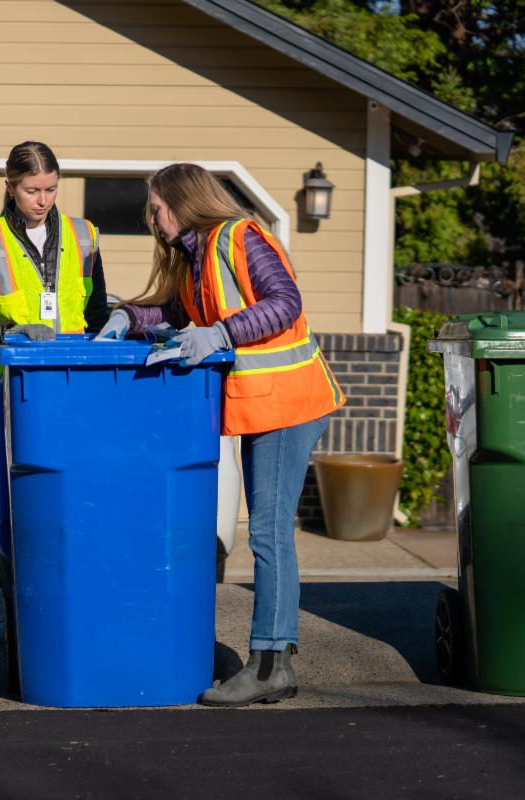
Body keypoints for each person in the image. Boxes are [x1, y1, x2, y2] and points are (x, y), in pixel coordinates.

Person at [97, 163, 345, 706]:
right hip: (265, 405)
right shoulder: (199, 255)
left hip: (289, 401)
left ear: (182, 202)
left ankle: (270, 664)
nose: (151, 216)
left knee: (268, 532)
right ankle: (271, 661)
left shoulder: (240, 237)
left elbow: (285, 304)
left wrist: (222, 332)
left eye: (156, 206)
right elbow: (176, 310)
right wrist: (126, 318)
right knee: (267, 530)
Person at [0, 141, 109, 652]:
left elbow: (100, 314)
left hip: (72, 391)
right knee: (13, 508)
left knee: (73, 501)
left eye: (50, 189)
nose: (42, 199)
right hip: (5, 394)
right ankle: (16, 611)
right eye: (31, 189)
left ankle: (73, 606)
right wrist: (12, 330)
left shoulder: (84, 237)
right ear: (10, 186)